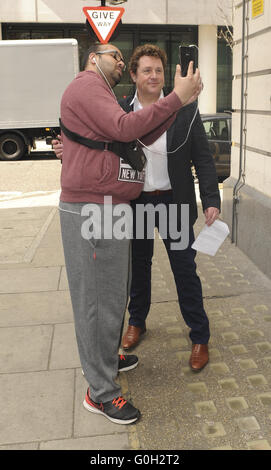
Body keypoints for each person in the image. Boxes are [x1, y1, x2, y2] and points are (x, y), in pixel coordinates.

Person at [56, 42, 202, 425]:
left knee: (112, 294)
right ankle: (100, 393)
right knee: (97, 302)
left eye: (123, 57)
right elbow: (123, 128)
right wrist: (175, 98)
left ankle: (107, 359)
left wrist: (180, 103)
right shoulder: (88, 85)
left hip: (111, 207)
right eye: (114, 56)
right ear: (93, 58)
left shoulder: (101, 93)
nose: (120, 61)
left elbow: (136, 141)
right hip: (92, 210)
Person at [118, 45, 220, 372]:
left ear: (167, 75)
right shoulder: (121, 112)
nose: (154, 76)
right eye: (146, 70)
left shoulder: (185, 110)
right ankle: (137, 321)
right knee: (139, 266)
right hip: (137, 204)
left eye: (159, 70)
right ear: (133, 75)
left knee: (184, 271)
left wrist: (211, 200)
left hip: (173, 204)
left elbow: (202, 158)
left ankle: (200, 336)